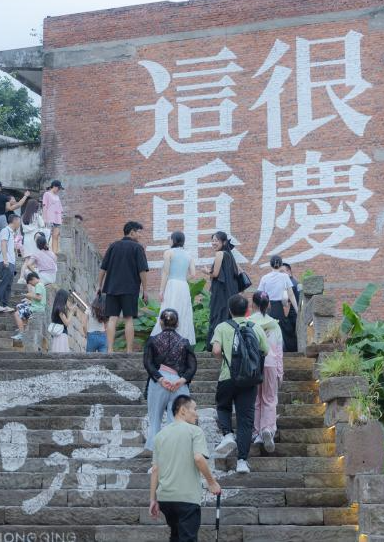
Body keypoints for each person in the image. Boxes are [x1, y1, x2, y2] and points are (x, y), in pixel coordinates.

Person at [149, 396, 222, 541]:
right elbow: (198, 458)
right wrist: (212, 483)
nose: (197, 413)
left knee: (176, 536)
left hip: (165, 499)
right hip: (186, 498)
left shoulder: (159, 436)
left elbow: (155, 469)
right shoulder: (194, 431)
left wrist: (153, 500)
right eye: (194, 409)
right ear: (183, 410)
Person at [211, 293, 269, 474]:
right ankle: (242, 461)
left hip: (228, 377)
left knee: (223, 407)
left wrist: (226, 359)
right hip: (249, 380)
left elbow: (216, 351)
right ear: (247, 310)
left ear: (229, 310)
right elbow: (265, 351)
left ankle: (228, 434)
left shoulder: (222, 327)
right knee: (245, 421)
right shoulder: (255, 327)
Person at [143, 309, 197, 454]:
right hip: (178, 384)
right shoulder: (184, 342)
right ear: (177, 323)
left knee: (155, 421)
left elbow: (148, 363)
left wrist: (160, 379)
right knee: (178, 422)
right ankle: (176, 453)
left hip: (159, 382)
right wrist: (181, 381)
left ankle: (156, 456)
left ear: (160, 322)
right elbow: (192, 366)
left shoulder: (152, 341)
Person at [98, 221, 150, 353]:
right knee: (128, 318)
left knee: (112, 318)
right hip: (130, 289)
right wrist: (145, 290)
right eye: (139, 232)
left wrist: (99, 286)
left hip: (112, 288)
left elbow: (103, 268)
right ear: (132, 232)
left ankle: (109, 350)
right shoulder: (137, 248)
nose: (140, 236)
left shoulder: (113, 246)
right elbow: (142, 271)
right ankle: (129, 351)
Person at [250, 291, 283, 453]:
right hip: (270, 363)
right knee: (270, 398)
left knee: (256, 399)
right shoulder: (274, 324)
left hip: (253, 365)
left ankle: (256, 432)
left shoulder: (249, 323)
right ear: (268, 305)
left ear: (253, 304)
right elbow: (279, 350)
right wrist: (280, 372)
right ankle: (268, 428)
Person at [149, 231, 196, 345]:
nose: (169, 240)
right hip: (183, 286)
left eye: (170, 238)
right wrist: (183, 279)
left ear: (174, 240)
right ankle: (181, 341)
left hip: (172, 285)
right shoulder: (189, 255)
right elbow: (193, 274)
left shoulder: (168, 253)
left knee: (168, 309)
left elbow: (165, 272)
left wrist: (161, 291)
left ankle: (164, 341)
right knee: (183, 312)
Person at [202, 231, 239, 344]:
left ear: (223, 242)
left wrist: (206, 271)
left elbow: (215, 274)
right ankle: (229, 341)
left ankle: (216, 343)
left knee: (218, 314)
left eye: (216, 240)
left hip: (220, 291)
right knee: (227, 315)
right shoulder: (229, 255)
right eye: (212, 240)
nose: (213, 243)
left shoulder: (219, 254)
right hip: (230, 291)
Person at [258, 255, 297, 353]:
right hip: (280, 308)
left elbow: (259, 295)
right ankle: (283, 352)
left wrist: (261, 310)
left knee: (268, 330)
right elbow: (291, 295)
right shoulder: (285, 276)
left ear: (270, 265)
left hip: (268, 307)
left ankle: (268, 352)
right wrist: (297, 309)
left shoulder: (264, 278)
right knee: (282, 330)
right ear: (280, 265)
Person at [0, 181, 28, 262]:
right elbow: (9, 208)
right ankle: (2, 256)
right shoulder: (4, 197)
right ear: (0, 188)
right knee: (4, 236)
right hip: (1, 217)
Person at [0, 213, 21, 312]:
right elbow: (3, 245)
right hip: (5, 261)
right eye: (19, 222)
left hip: (11, 261)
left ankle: (4, 304)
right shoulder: (5, 231)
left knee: (8, 284)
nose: (19, 224)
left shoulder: (12, 233)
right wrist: (5, 259)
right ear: (15, 221)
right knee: (4, 283)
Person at [13, 271, 45, 344]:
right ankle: (22, 327)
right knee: (19, 306)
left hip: (37, 308)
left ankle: (21, 334)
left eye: (31, 283)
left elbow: (39, 298)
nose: (32, 285)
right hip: (36, 306)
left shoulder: (38, 285)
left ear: (33, 279)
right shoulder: (40, 284)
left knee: (16, 314)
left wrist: (29, 295)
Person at [280, 262, 302, 351]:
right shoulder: (297, 282)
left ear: (289, 271)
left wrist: (284, 316)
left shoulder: (288, 284)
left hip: (290, 317)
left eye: (282, 271)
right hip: (297, 315)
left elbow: (286, 303)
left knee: (290, 339)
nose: (280, 274)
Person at [42, 180, 64, 254]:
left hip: (57, 218)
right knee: (47, 235)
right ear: (54, 186)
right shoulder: (47, 194)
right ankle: (45, 251)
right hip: (50, 218)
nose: (59, 190)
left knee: (56, 236)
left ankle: (54, 252)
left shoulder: (57, 196)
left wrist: (61, 217)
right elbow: (44, 207)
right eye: (58, 188)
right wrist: (45, 218)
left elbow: (60, 209)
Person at [48, 289, 71, 353]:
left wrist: (68, 311)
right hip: (61, 335)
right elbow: (67, 323)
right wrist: (71, 312)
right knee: (61, 353)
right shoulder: (60, 309)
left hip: (58, 334)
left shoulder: (56, 308)